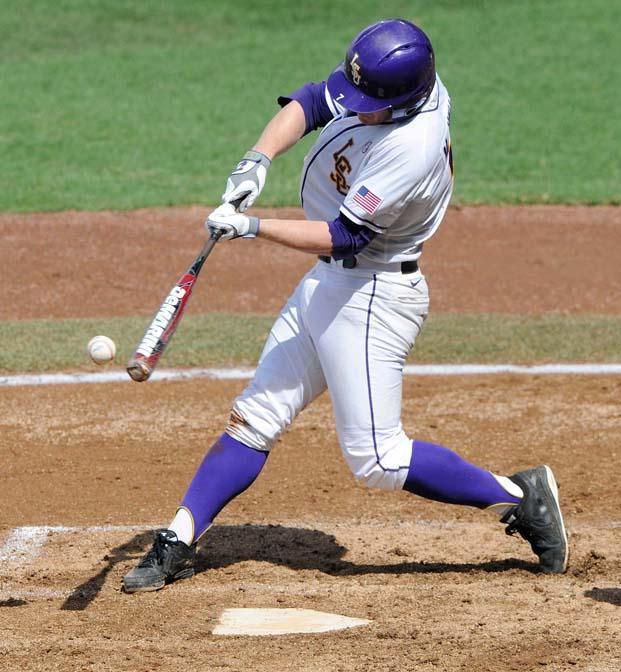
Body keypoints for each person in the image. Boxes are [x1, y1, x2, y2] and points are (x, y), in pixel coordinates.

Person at [123, 18, 568, 593]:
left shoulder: (411, 148)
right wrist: (257, 159)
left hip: (374, 296)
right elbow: (312, 101)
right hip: (328, 285)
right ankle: (178, 538)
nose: (356, 109)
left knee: (378, 460)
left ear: (405, 103)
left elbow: (345, 237)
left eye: (368, 104)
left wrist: (252, 226)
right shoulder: (396, 83)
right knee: (256, 416)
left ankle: (520, 497)